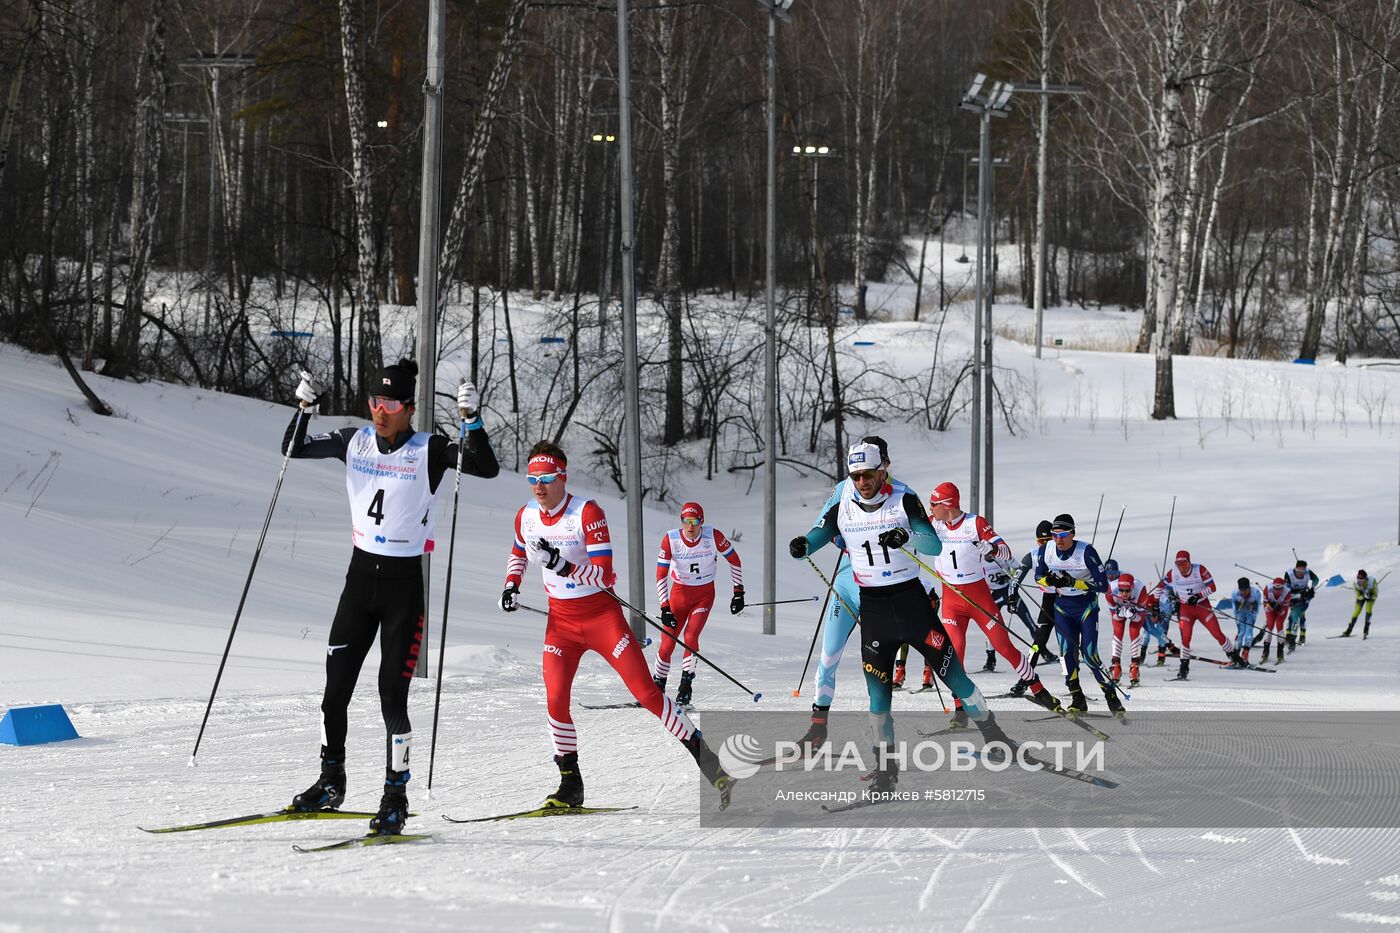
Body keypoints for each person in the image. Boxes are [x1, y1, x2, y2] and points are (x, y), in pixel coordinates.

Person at [282, 360, 498, 835]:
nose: (380, 412)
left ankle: (395, 795)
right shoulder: (352, 441)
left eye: (391, 404)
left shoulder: (430, 449)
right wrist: (304, 408)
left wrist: (472, 420)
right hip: (358, 582)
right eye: (375, 403)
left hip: (403, 587)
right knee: (333, 692)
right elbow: (292, 447)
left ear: (409, 408)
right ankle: (330, 780)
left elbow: (486, 467)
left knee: (391, 698)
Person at [500, 441, 732, 809]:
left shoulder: (586, 512)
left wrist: (561, 565)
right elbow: (518, 552)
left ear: (562, 477)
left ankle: (714, 766)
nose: (539, 486)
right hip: (561, 622)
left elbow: (604, 574)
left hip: (601, 618)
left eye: (546, 478)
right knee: (556, 700)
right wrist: (511, 584)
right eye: (532, 479)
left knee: (648, 695)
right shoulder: (525, 515)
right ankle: (570, 785)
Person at [790, 441, 1015, 792]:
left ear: (884, 470)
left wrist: (906, 535)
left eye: (868, 474)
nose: (862, 481)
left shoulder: (904, 499)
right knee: (878, 699)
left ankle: (993, 733)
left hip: (912, 606)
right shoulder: (843, 505)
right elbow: (819, 533)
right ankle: (886, 771)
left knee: (954, 678)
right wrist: (804, 544)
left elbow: (933, 544)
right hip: (875, 611)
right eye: (856, 475)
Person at [925, 482, 1063, 724]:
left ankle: (1039, 690)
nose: (931, 507)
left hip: (977, 596)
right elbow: (909, 532)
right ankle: (960, 708)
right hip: (951, 599)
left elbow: (1006, 552)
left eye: (935, 504)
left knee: (1003, 646)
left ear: (947, 505)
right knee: (955, 653)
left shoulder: (974, 524)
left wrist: (991, 549)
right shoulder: (934, 524)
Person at [652, 501, 744, 707]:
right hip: (679, 594)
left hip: (703, 595)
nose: (690, 526)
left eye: (694, 521)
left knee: (691, 636)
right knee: (667, 643)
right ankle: (657, 687)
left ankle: (685, 687)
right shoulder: (671, 539)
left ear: (702, 521)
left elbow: (735, 560)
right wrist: (664, 606)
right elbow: (660, 575)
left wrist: (739, 592)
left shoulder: (713, 536)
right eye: (686, 521)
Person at [1034, 513, 1124, 715]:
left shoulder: (1086, 551)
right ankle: (1077, 698)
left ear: (1072, 534)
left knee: (1090, 655)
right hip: (1062, 608)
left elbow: (1103, 586)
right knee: (1066, 657)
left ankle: (1111, 697)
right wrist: (1051, 581)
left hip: (1086, 608)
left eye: (1063, 534)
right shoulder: (1045, 550)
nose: (1058, 539)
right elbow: (1038, 577)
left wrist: (1074, 582)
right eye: (1054, 534)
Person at [1162, 549, 1242, 678]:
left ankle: (1234, 656)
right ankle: (1184, 666)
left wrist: (1198, 596)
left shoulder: (1199, 570)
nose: (1182, 568)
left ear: (1190, 562)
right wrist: (1153, 603)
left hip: (1202, 606)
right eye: (1179, 565)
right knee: (1186, 638)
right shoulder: (1173, 573)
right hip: (1185, 609)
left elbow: (1212, 587)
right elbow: (1161, 585)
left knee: (1217, 633)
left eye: (1185, 564)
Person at [1105, 572, 1152, 686]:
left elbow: (1140, 617)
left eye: (1127, 591)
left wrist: (1133, 616)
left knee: (1134, 632)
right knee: (1118, 631)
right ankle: (1116, 667)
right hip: (1120, 610)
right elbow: (1114, 616)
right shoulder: (1110, 590)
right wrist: (1120, 614)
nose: (1124, 593)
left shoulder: (1141, 590)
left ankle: (1135, 668)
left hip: (1135, 612)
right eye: (1121, 590)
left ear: (1132, 588)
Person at [1282, 560, 1320, 650]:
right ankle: (1290, 635)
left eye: (1303, 571)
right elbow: (1286, 592)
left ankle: (1294, 637)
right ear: (1295, 569)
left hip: (1304, 596)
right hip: (1292, 596)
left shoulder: (1308, 573)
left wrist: (1312, 588)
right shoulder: (1289, 574)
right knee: (1293, 615)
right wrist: (1297, 596)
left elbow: (1316, 579)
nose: (1300, 574)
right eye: (1298, 571)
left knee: (1298, 613)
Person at [1229, 577, 1263, 664]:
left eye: (1245, 590)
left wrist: (1252, 607)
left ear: (1249, 588)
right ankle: (1236, 655)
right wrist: (1239, 606)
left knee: (1249, 633)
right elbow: (1235, 609)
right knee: (1241, 632)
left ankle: (1245, 655)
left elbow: (1257, 608)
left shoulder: (1256, 593)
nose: (1243, 592)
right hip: (1240, 613)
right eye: (1241, 590)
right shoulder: (1235, 594)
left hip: (1250, 614)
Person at [1261, 577, 1292, 663]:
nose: (1277, 590)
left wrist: (1278, 609)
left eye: (1280, 588)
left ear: (1283, 587)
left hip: (1281, 609)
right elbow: (1265, 607)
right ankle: (1265, 652)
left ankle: (1280, 654)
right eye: (1275, 588)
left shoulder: (1287, 593)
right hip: (1270, 610)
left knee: (1279, 626)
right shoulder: (1267, 589)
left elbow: (1283, 612)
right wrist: (1270, 606)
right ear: (1272, 587)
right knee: (1270, 626)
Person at [1343, 570, 1380, 638]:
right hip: (1361, 597)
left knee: (1368, 610)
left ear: (1366, 578)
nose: (1359, 581)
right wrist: (1363, 596)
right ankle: (1348, 630)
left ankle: (1366, 630)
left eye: (1361, 579)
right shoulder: (1355, 583)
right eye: (1358, 578)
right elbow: (1358, 596)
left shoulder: (1372, 582)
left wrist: (1370, 596)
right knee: (1356, 612)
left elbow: (1376, 595)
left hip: (1371, 597)